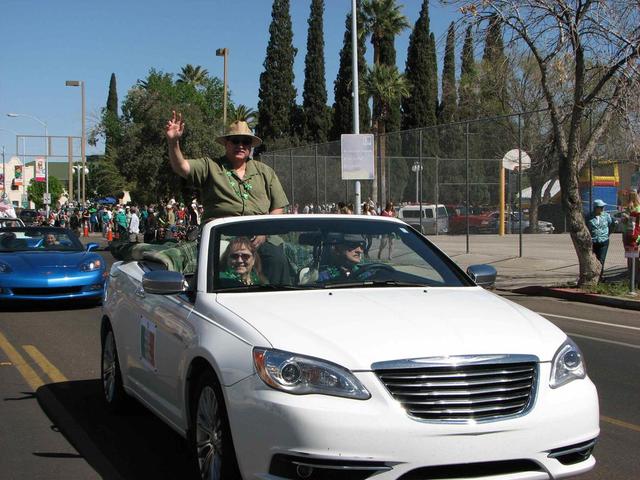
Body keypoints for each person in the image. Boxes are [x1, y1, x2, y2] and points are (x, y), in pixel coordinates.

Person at [166, 112, 289, 222]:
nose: (240, 145)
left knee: (276, 247)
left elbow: (278, 207)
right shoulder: (210, 167)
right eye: (235, 141)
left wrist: (264, 232)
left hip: (261, 235)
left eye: (245, 142)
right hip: (223, 237)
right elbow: (181, 167)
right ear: (226, 143)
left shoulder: (266, 172)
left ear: (251, 146)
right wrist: (173, 142)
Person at [587, 199, 613, 280]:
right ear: (595, 208)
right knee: (593, 260)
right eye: (600, 207)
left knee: (601, 260)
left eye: (603, 207)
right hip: (593, 241)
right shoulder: (589, 216)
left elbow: (611, 225)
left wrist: (608, 234)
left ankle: (600, 277)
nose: (602, 209)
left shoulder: (606, 216)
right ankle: (592, 276)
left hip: (604, 241)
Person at [621, 189, 640, 284]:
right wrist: (624, 218)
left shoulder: (638, 208)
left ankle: (635, 278)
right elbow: (624, 222)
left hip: (636, 234)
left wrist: (629, 217)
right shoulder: (627, 207)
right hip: (627, 234)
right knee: (630, 256)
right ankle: (631, 278)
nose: (631, 197)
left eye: (633, 195)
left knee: (635, 256)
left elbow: (636, 220)